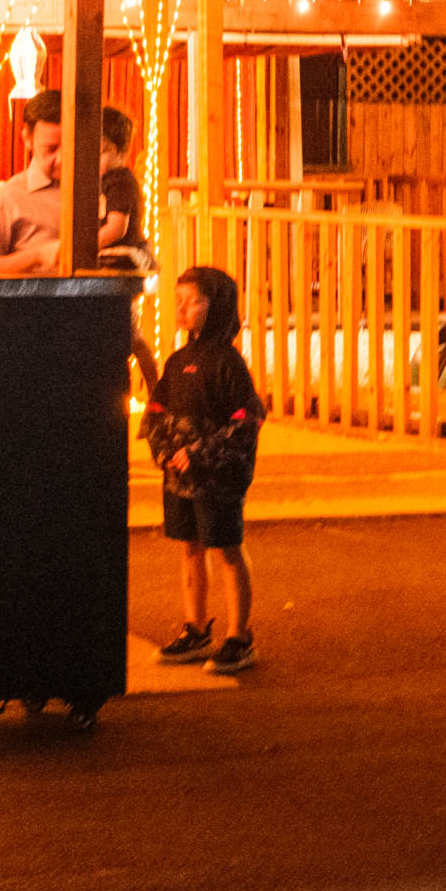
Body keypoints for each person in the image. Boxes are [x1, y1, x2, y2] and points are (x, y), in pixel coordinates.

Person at [145, 265, 264, 671]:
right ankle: (196, 629)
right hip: (179, 479)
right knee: (189, 548)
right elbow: (156, 410)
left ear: (217, 308)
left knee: (227, 549)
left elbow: (246, 421)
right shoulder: (178, 361)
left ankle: (239, 635)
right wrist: (162, 450)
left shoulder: (228, 364)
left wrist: (200, 453)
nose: (182, 308)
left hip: (217, 480)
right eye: (178, 300)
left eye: (193, 301)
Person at [0, 91, 74, 274]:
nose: (62, 159)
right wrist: (37, 255)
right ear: (27, 139)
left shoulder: (100, 188)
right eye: (51, 149)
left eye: (71, 145)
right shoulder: (9, 196)